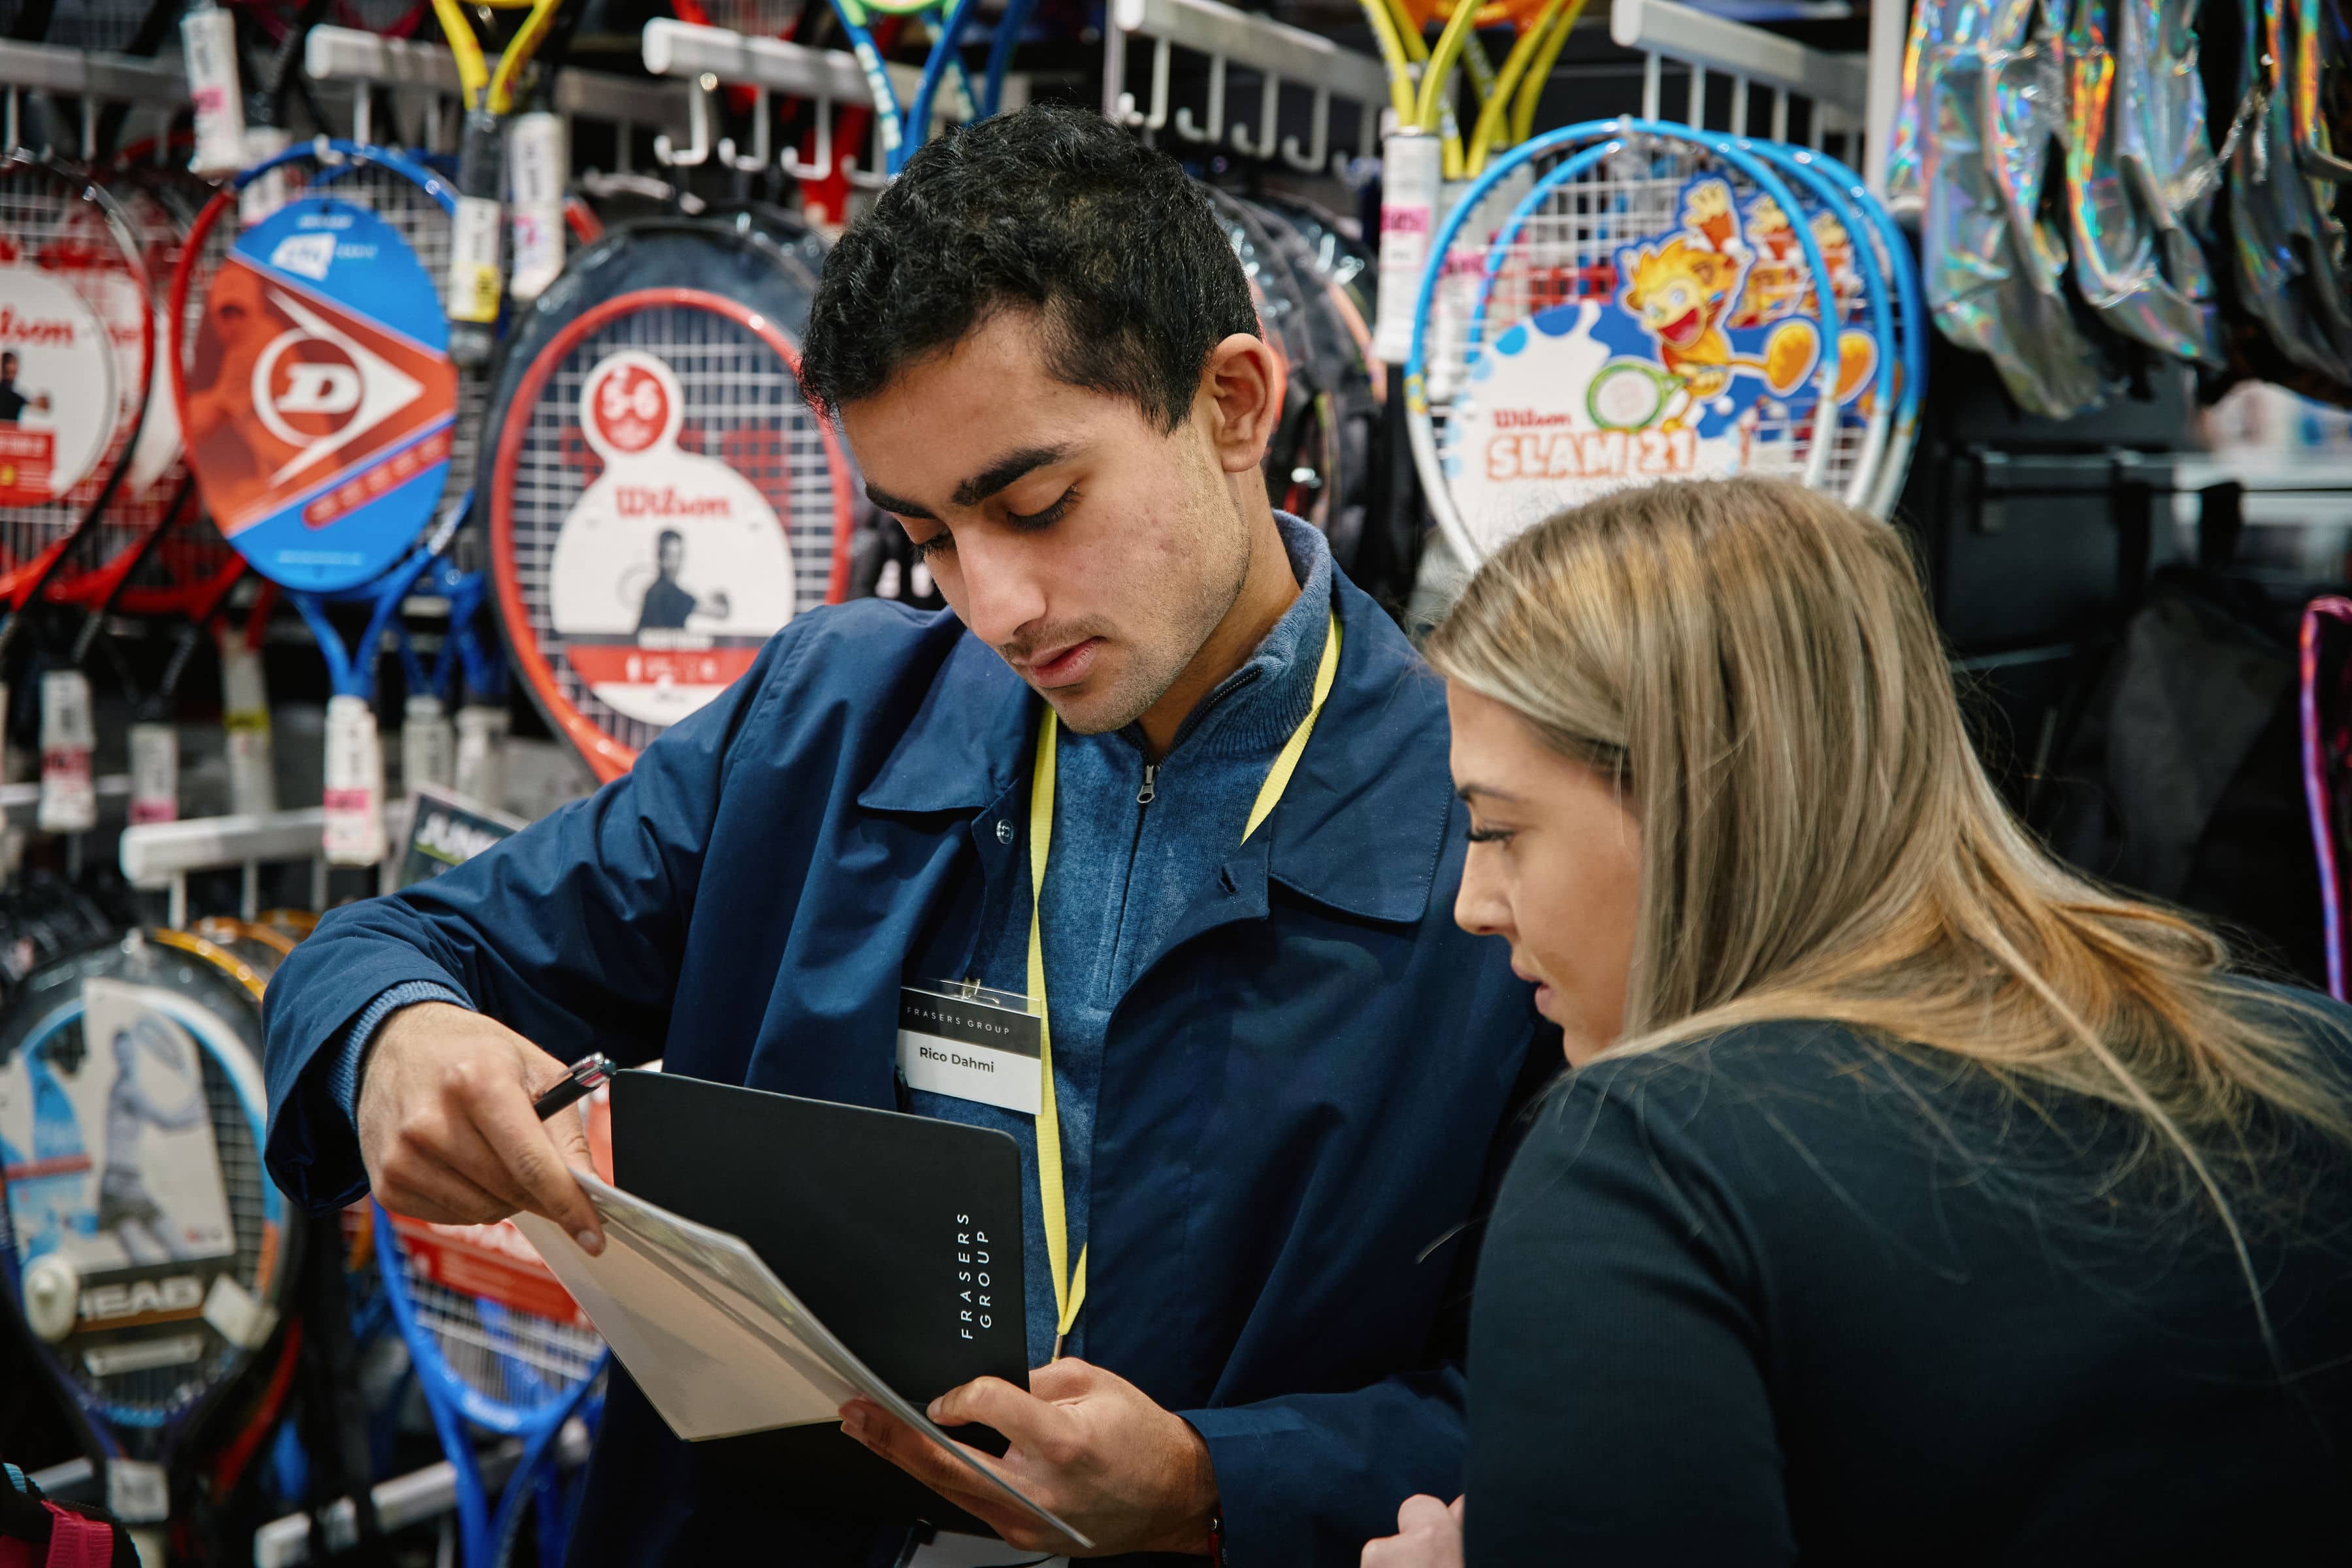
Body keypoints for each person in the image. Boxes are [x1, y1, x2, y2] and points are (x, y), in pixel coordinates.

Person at [260, 103, 1552, 1567]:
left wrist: (1216, 1478)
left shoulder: (1488, 823)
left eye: (1039, 504)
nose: (996, 607)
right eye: (931, 537)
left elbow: (1553, 1414)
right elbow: (391, 946)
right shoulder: (830, 720)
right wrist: (393, 1039)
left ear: (1238, 404)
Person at [1364, 477, 2352, 1567]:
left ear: (1693, 802)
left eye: (1499, 830)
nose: (1472, 901)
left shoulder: (1651, 1163)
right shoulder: (2304, 1057)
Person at [634, 528, 730, 633]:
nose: (676, 563)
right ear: (660, 557)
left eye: (679, 556)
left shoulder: (655, 591)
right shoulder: (669, 595)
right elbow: (720, 612)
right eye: (670, 556)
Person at [0, 351, 51, 423]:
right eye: (7, 363)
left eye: (14, 364)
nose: (11, 367)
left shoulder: (17, 398)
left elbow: (44, 407)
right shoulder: (15, 398)